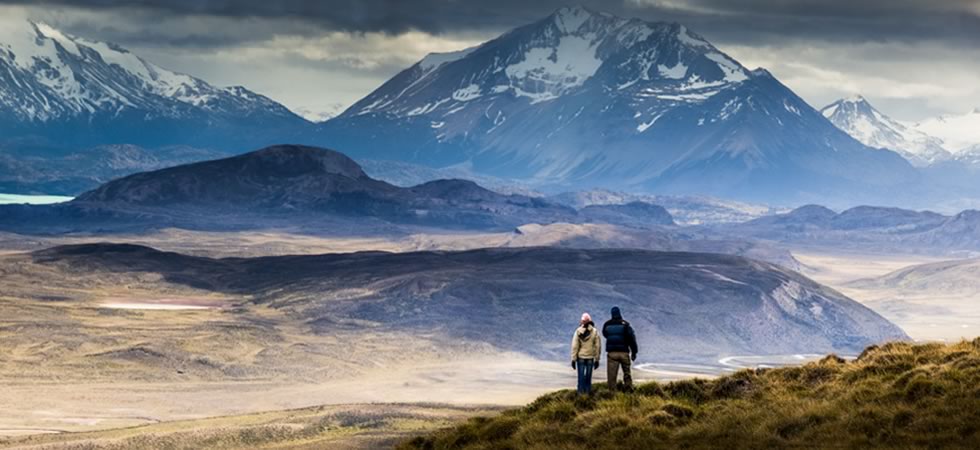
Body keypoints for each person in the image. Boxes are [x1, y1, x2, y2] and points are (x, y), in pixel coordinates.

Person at [602, 306, 638, 391]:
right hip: (624, 353)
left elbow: (605, 334)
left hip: (612, 354)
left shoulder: (607, 324)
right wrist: (634, 352)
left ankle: (612, 394)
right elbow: (632, 339)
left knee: (611, 376)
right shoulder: (625, 324)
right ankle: (629, 391)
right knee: (627, 373)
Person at [570, 312, 601, 395]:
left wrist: (573, 359)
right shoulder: (595, 331)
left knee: (580, 377)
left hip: (580, 358)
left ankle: (580, 394)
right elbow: (597, 346)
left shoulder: (578, 331)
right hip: (590, 357)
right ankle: (587, 394)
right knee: (588, 377)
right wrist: (597, 359)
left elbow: (574, 346)